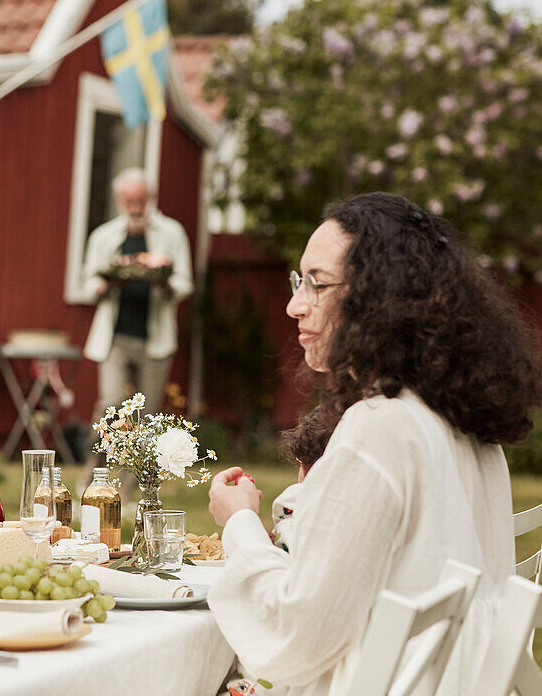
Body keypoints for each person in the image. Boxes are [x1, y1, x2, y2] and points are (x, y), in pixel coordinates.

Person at [207, 192, 542, 695]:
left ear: (383, 298)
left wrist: (239, 525)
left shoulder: (379, 427)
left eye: (318, 285)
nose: (295, 305)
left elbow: (297, 636)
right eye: (299, 282)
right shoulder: (462, 426)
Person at [82, 167, 193, 425]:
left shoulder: (172, 233)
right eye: (129, 201)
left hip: (156, 339)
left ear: (151, 198)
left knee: (147, 413)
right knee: (110, 403)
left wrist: (165, 283)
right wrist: (103, 285)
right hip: (114, 337)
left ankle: (140, 467)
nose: (135, 208)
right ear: (119, 201)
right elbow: (89, 281)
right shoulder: (104, 236)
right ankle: (94, 464)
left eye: (141, 201)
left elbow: (185, 282)